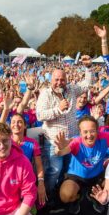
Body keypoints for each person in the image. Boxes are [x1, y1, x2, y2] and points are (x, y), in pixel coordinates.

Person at [36, 55, 93, 203]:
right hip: (53, 142)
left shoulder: (72, 90)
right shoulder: (45, 94)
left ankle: (62, 194)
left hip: (72, 141)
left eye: (62, 79)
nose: (59, 82)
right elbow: (40, 115)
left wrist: (88, 68)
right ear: (51, 80)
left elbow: (87, 84)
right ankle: (46, 197)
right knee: (54, 171)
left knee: (68, 171)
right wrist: (58, 109)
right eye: (56, 79)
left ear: (66, 80)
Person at [55, 116, 109, 215]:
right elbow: (60, 152)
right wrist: (60, 148)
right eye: (85, 132)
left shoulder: (104, 137)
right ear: (80, 133)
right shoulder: (76, 142)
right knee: (66, 196)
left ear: (97, 131)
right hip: (77, 177)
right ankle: (78, 197)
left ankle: (94, 197)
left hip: (97, 175)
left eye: (92, 131)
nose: (89, 135)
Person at [9, 113, 47, 207]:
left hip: (26, 179)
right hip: (9, 179)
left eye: (20, 122)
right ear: (10, 125)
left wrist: (41, 183)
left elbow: (39, 165)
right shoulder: (6, 142)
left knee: (40, 204)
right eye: (13, 122)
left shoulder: (32, 143)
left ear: (25, 126)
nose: (16, 124)